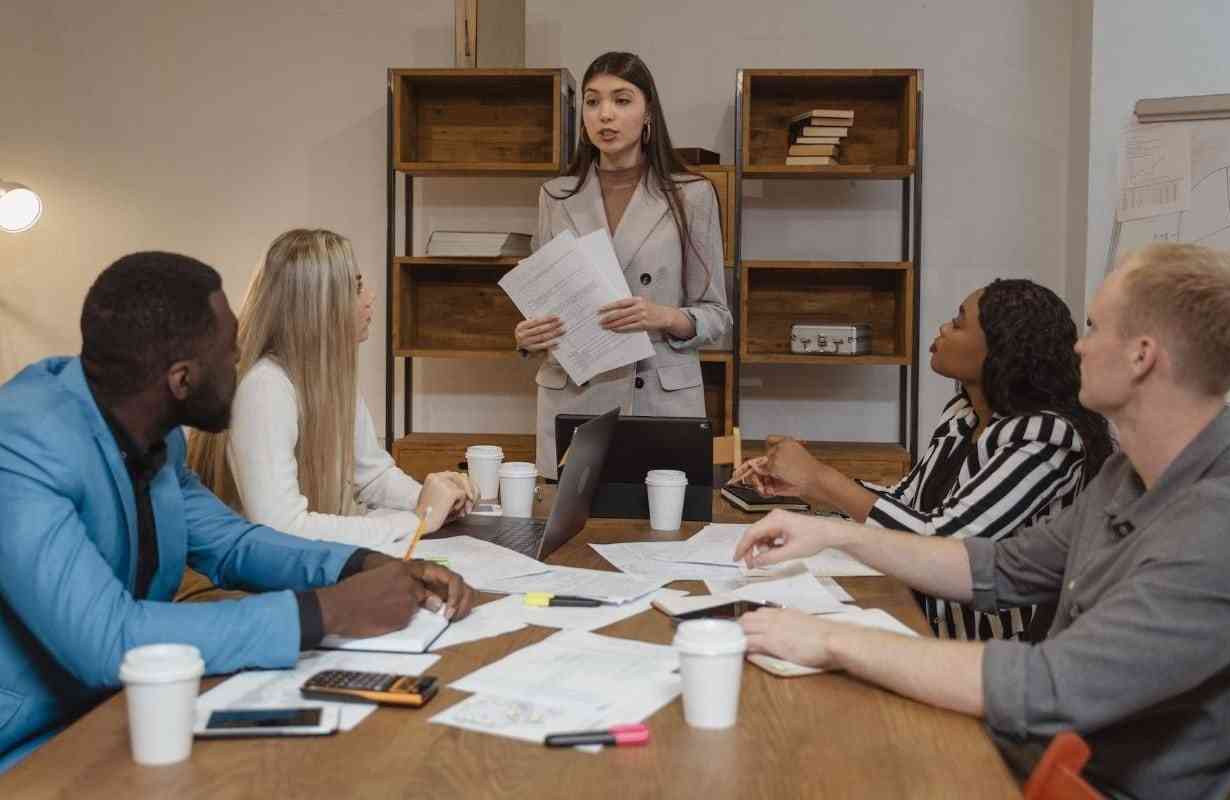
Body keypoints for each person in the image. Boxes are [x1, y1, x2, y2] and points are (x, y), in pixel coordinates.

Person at [733, 243, 1230, 799]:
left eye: (1093, 328)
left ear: (1142, 356)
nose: (1078, 347)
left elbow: (1049, 688)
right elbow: (997, 566)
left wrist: (830, 640)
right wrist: (832, 531)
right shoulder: (1129, 475)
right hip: (1035, 754)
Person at [0, 252, 476, 769]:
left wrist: (359, 564)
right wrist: (327, 612)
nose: (243, 366)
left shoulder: (150, 435)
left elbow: (232, 544)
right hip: (33, 741)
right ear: (181, 379)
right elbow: (109, 640)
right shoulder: (21, 447)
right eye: (231, 355)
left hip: (131, 711)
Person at [733, 279, 1113, 640]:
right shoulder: (964, 415)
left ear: (1000, 349)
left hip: (992, 649)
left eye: (959, 324)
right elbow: (906, 503)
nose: (944, 329)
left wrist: (821, 478)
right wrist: (808, 490)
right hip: (923, 619)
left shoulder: (1046, 436)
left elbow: (946, 544)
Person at [513, 51, 731, 478]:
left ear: (648, 112)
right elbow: (544, 300)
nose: (605, 115)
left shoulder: (693, 195)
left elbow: (717, 316)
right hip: (575, 399)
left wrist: (662, 315)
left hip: (658, 400)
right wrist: (527, 335)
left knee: (661, 540)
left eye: (622, 100)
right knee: (568, 540)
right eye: (593, 102)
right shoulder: (555, 196)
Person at [187, 229, 475, 549]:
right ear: (321, 305)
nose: (370, 296)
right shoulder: (265, 389)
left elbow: (374, 477)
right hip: (259, 576)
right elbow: (283, 528)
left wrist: (434, 501)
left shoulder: (330, 378)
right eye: (356, 286)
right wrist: (417, 519)